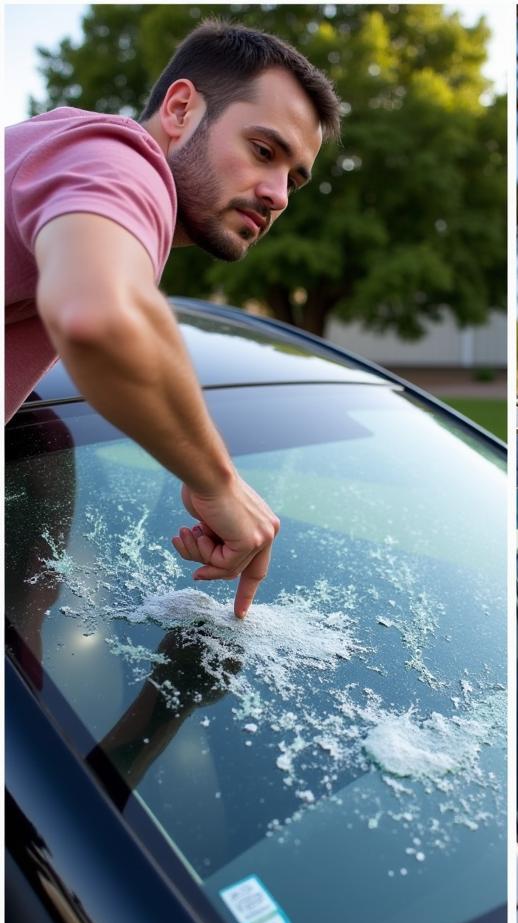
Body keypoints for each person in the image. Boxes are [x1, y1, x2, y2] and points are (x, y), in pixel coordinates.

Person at [5, 20, 341, 619]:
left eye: (294, 178)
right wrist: (218, 483)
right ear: (182, 108)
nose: (279, 195)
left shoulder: (60, 148)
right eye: (264, 152)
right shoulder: (120, 161)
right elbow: (99, 315)